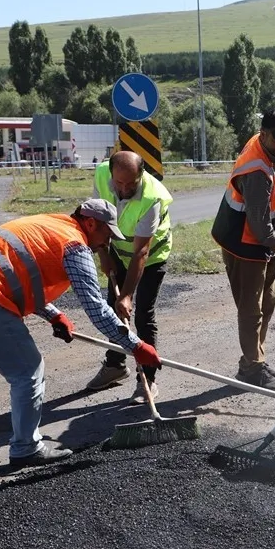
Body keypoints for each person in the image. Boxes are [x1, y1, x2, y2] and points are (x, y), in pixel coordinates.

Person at [0, 199, 162, 466]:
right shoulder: (75, 245)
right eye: (106, 233)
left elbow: (20, 275)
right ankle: (26, 448)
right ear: (91, 223)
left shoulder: (51, 224)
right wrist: (135, 345)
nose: (107, 243)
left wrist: (54, 314)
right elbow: (95, 308)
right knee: (28, 372)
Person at [211, 108, 275, 392]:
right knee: (251, 310)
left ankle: (255, 358)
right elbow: (260, 225)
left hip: (263, 240)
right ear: (263, 134)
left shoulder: (271, 152)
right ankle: (252, 367)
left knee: (269, 301)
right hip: (243, 243)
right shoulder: (257, 170)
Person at [85, 150, 173, 404]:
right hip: (118, 250)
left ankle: (147, 378)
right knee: (114, 309)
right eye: (119, 183)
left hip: (151, 256)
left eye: (130, 184)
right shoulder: (103, 174)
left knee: (143, 313)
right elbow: (96, 217)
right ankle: (115, 366)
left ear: (141, 175)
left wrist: (127, 295)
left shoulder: (152, 197)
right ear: (111, 173)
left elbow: (142, 252)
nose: (123, 189)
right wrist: (103, 254)